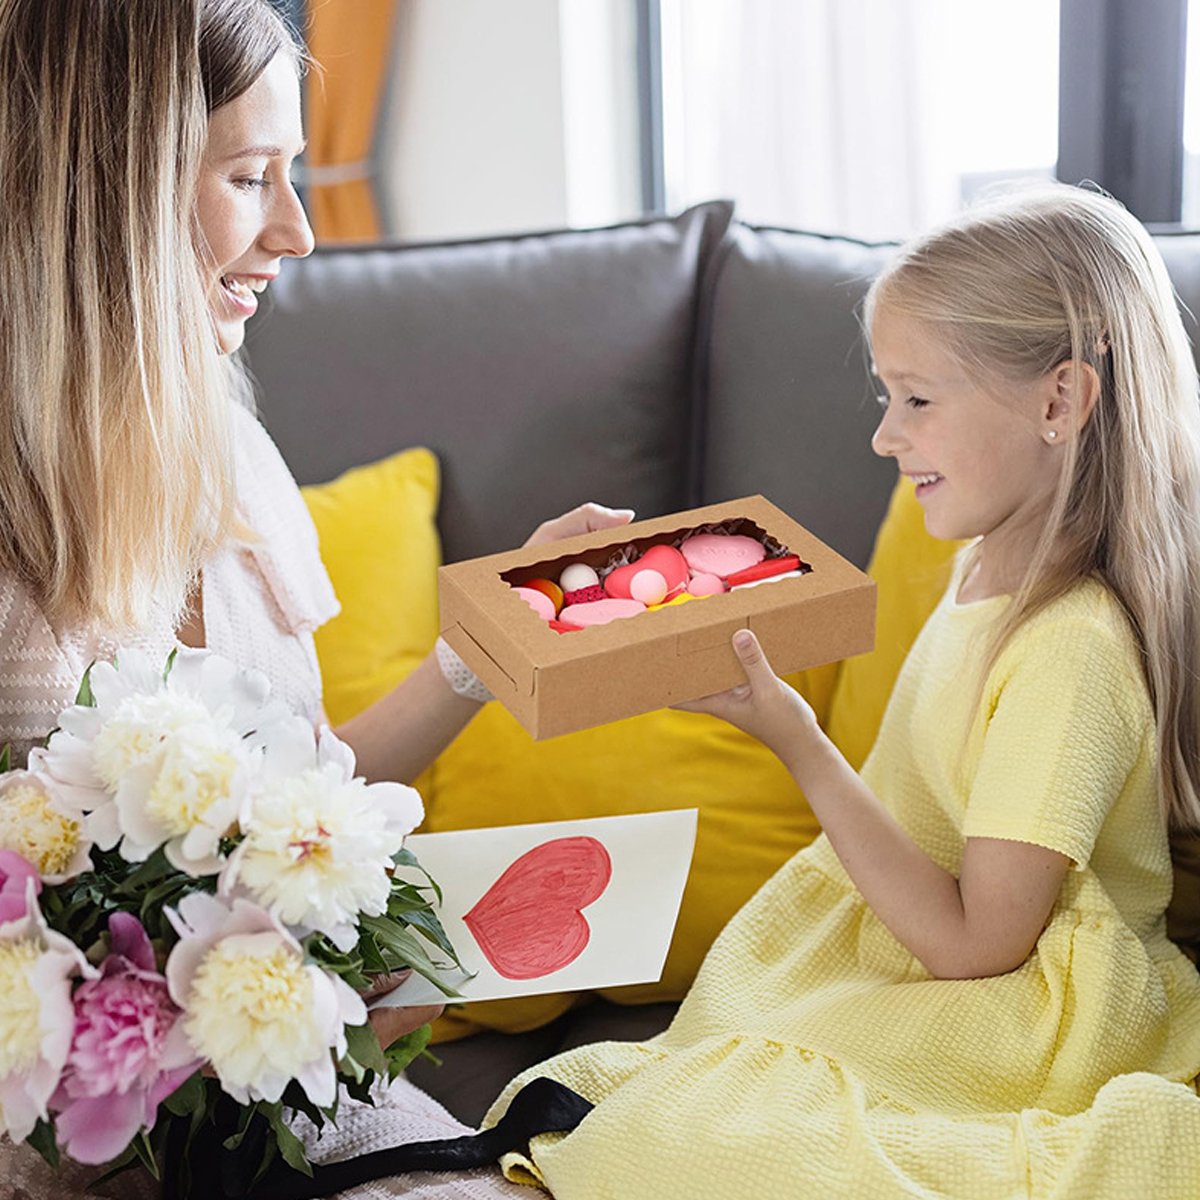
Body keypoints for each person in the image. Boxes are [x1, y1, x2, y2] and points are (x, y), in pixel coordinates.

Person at [0, 1, 629, 1196]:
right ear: (111, 189)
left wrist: (482, 648)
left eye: (293, 176)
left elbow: (311, 789)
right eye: (250, 179)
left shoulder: (234, 459)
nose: (296, 230)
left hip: (291, 1103)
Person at [482, 185, 1200, 1198]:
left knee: (691, 1145)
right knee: (602, 1108)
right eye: (884, 396)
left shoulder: (1072, 649)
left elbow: (977, 945)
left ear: (1059, 402)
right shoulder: (982, 572)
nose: (883, 437)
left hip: (1019, 1008)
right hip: (903, 957)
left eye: (917, 399)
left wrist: (797, 738)